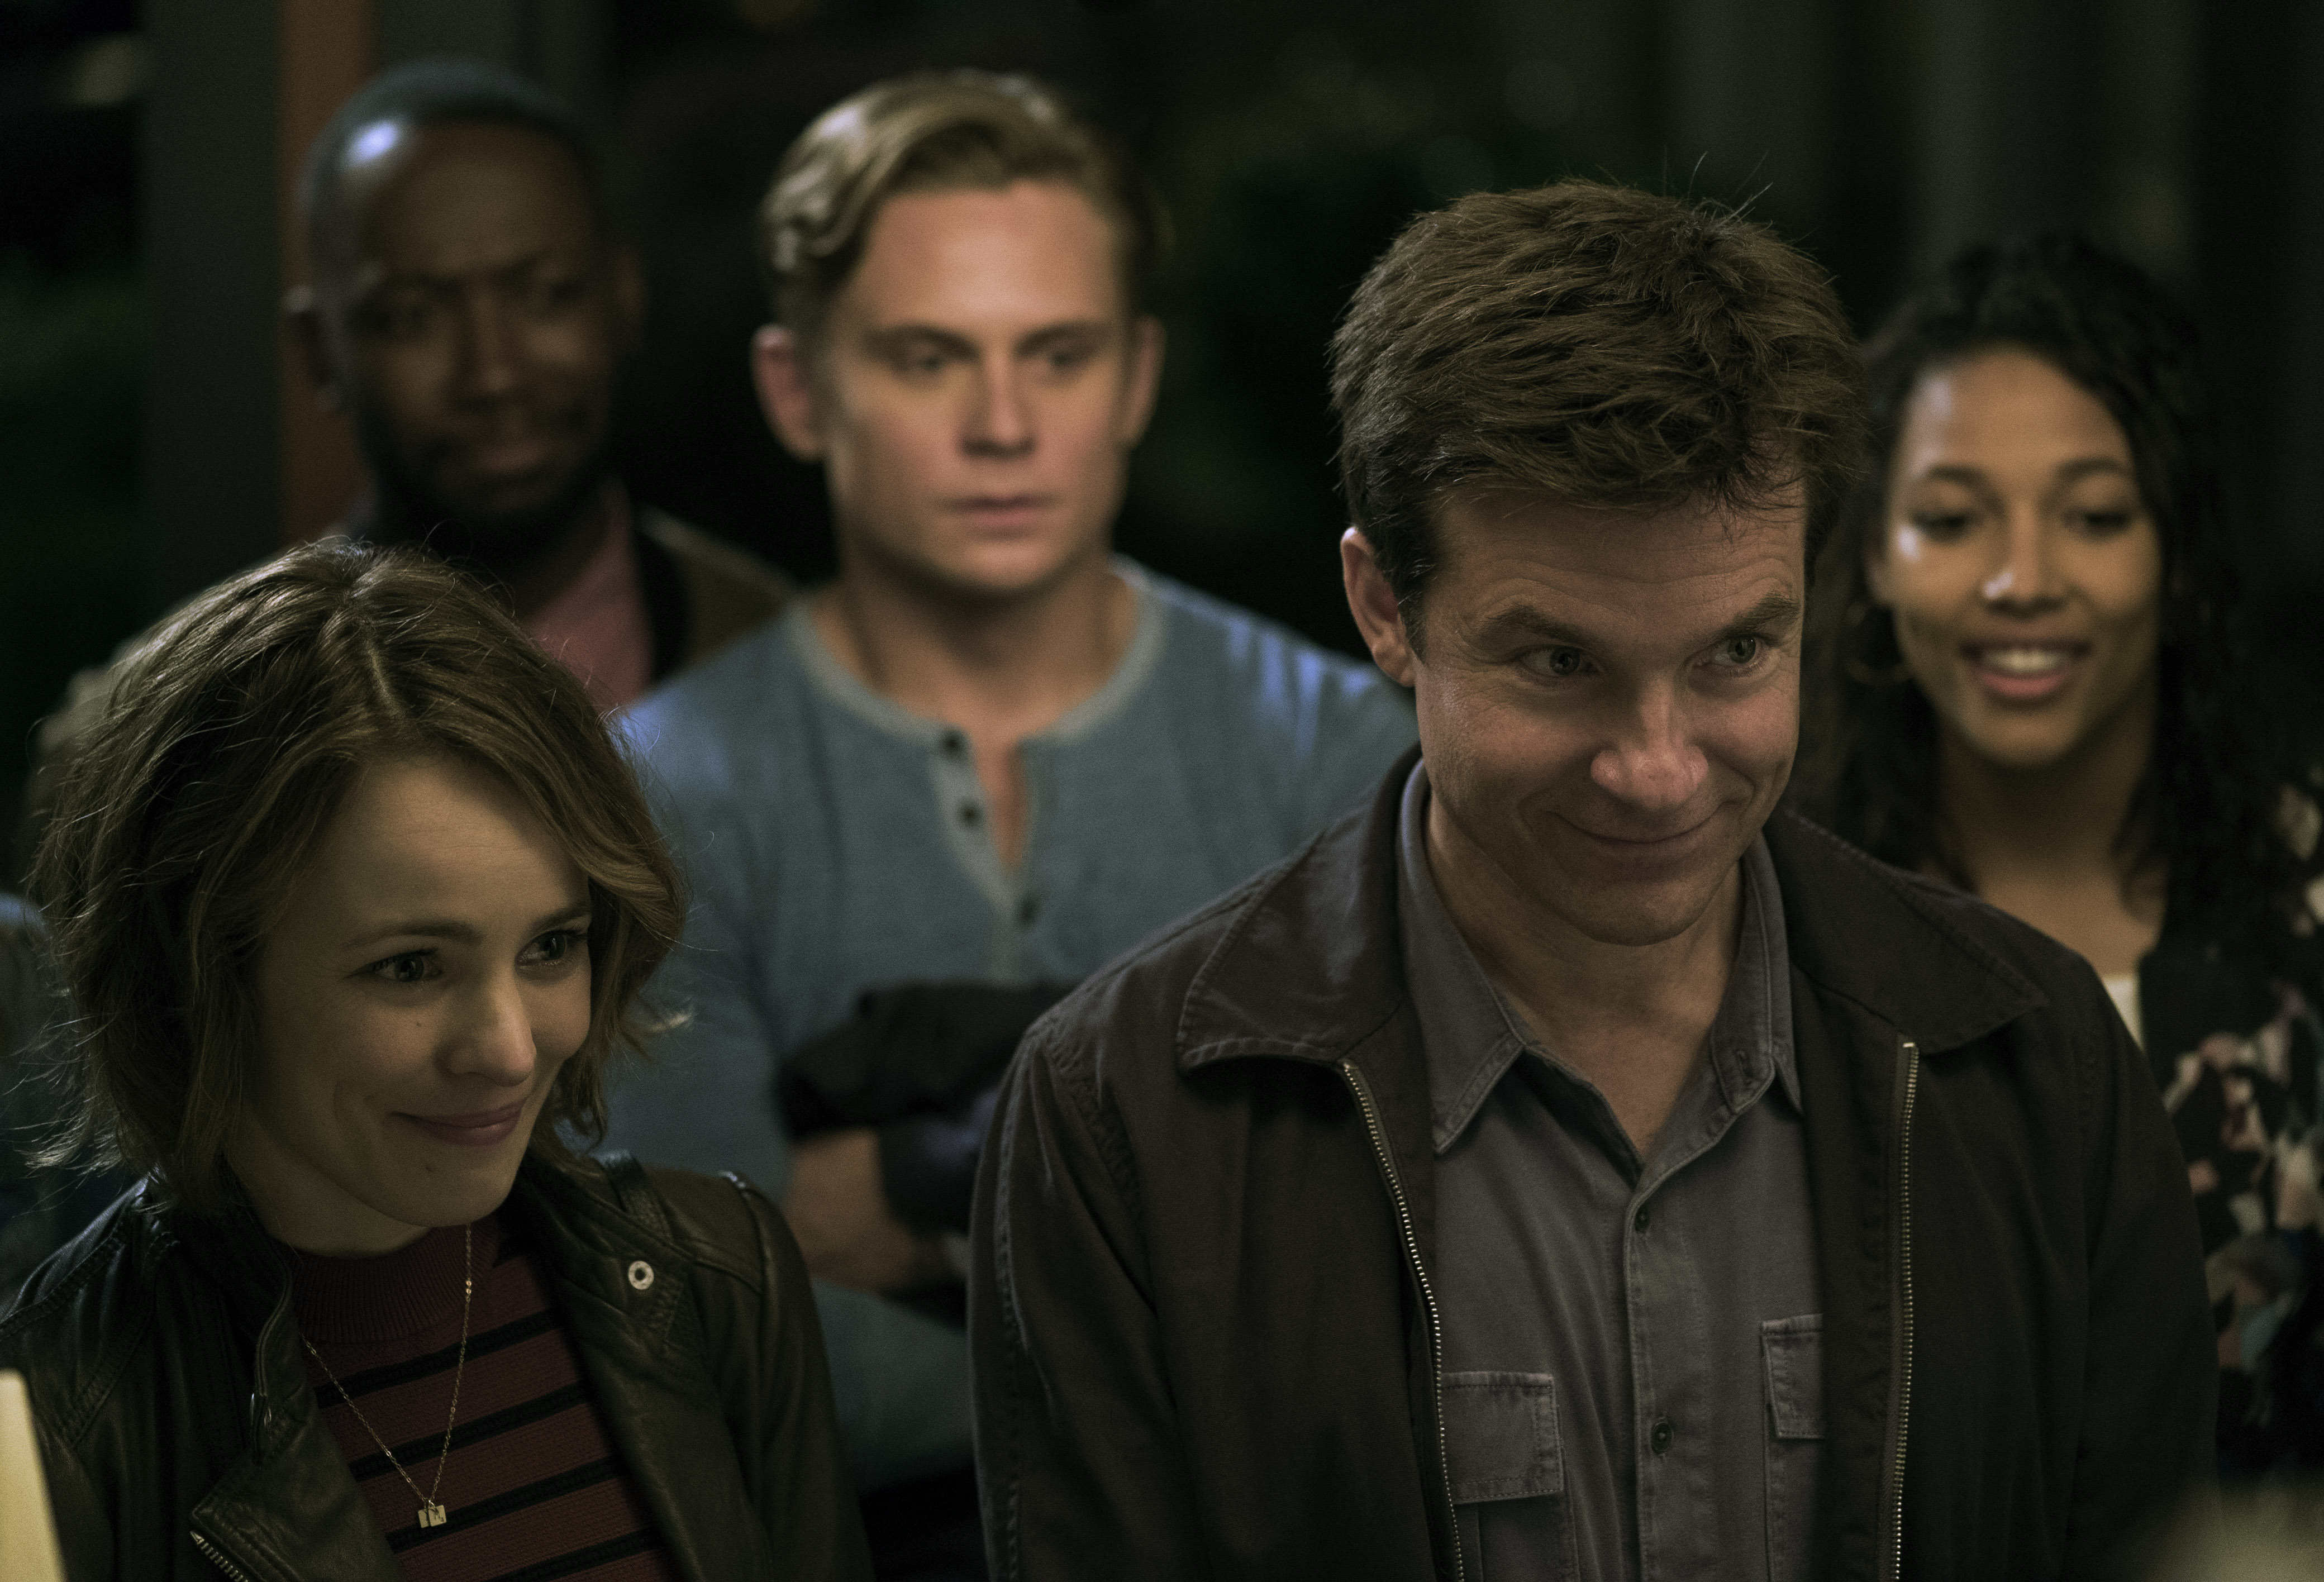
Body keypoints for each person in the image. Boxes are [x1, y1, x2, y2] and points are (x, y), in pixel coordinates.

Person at [972, 180, 2216, 1580]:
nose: (1657, 769)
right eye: (1559, 663)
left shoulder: (2040, 1068)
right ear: (1384, 608)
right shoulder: (1125, 1118)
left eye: (1734, 654)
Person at [611, 68, 1415, 1557]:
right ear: (798, 392)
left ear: (1136, 377)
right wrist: (1173, 1271)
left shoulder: (1341, 758)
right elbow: (707, 1350)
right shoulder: (654, 795)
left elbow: (1384, 1286)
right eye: (928, 358)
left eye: (1057, 354)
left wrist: (906, 1194)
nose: (1002, 425)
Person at [0, 542, 867, 1580]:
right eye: (410, 968)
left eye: (552, 947)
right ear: (196, 978)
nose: (509, 1049)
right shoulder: (55, 1426)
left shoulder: (719, 1282)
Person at [1793, 234, 2324, 1489]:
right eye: (1951, 520)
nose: (2021, 580)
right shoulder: (1772, 904)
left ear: (2176, 551)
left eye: (2094, 516)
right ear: (1874, 558)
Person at [16, 56, 789, 864]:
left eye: (547, 294)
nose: (493, 374)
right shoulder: (157, 741)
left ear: (625, 298)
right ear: (321, 351)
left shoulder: (778, 659)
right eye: (412, 317)